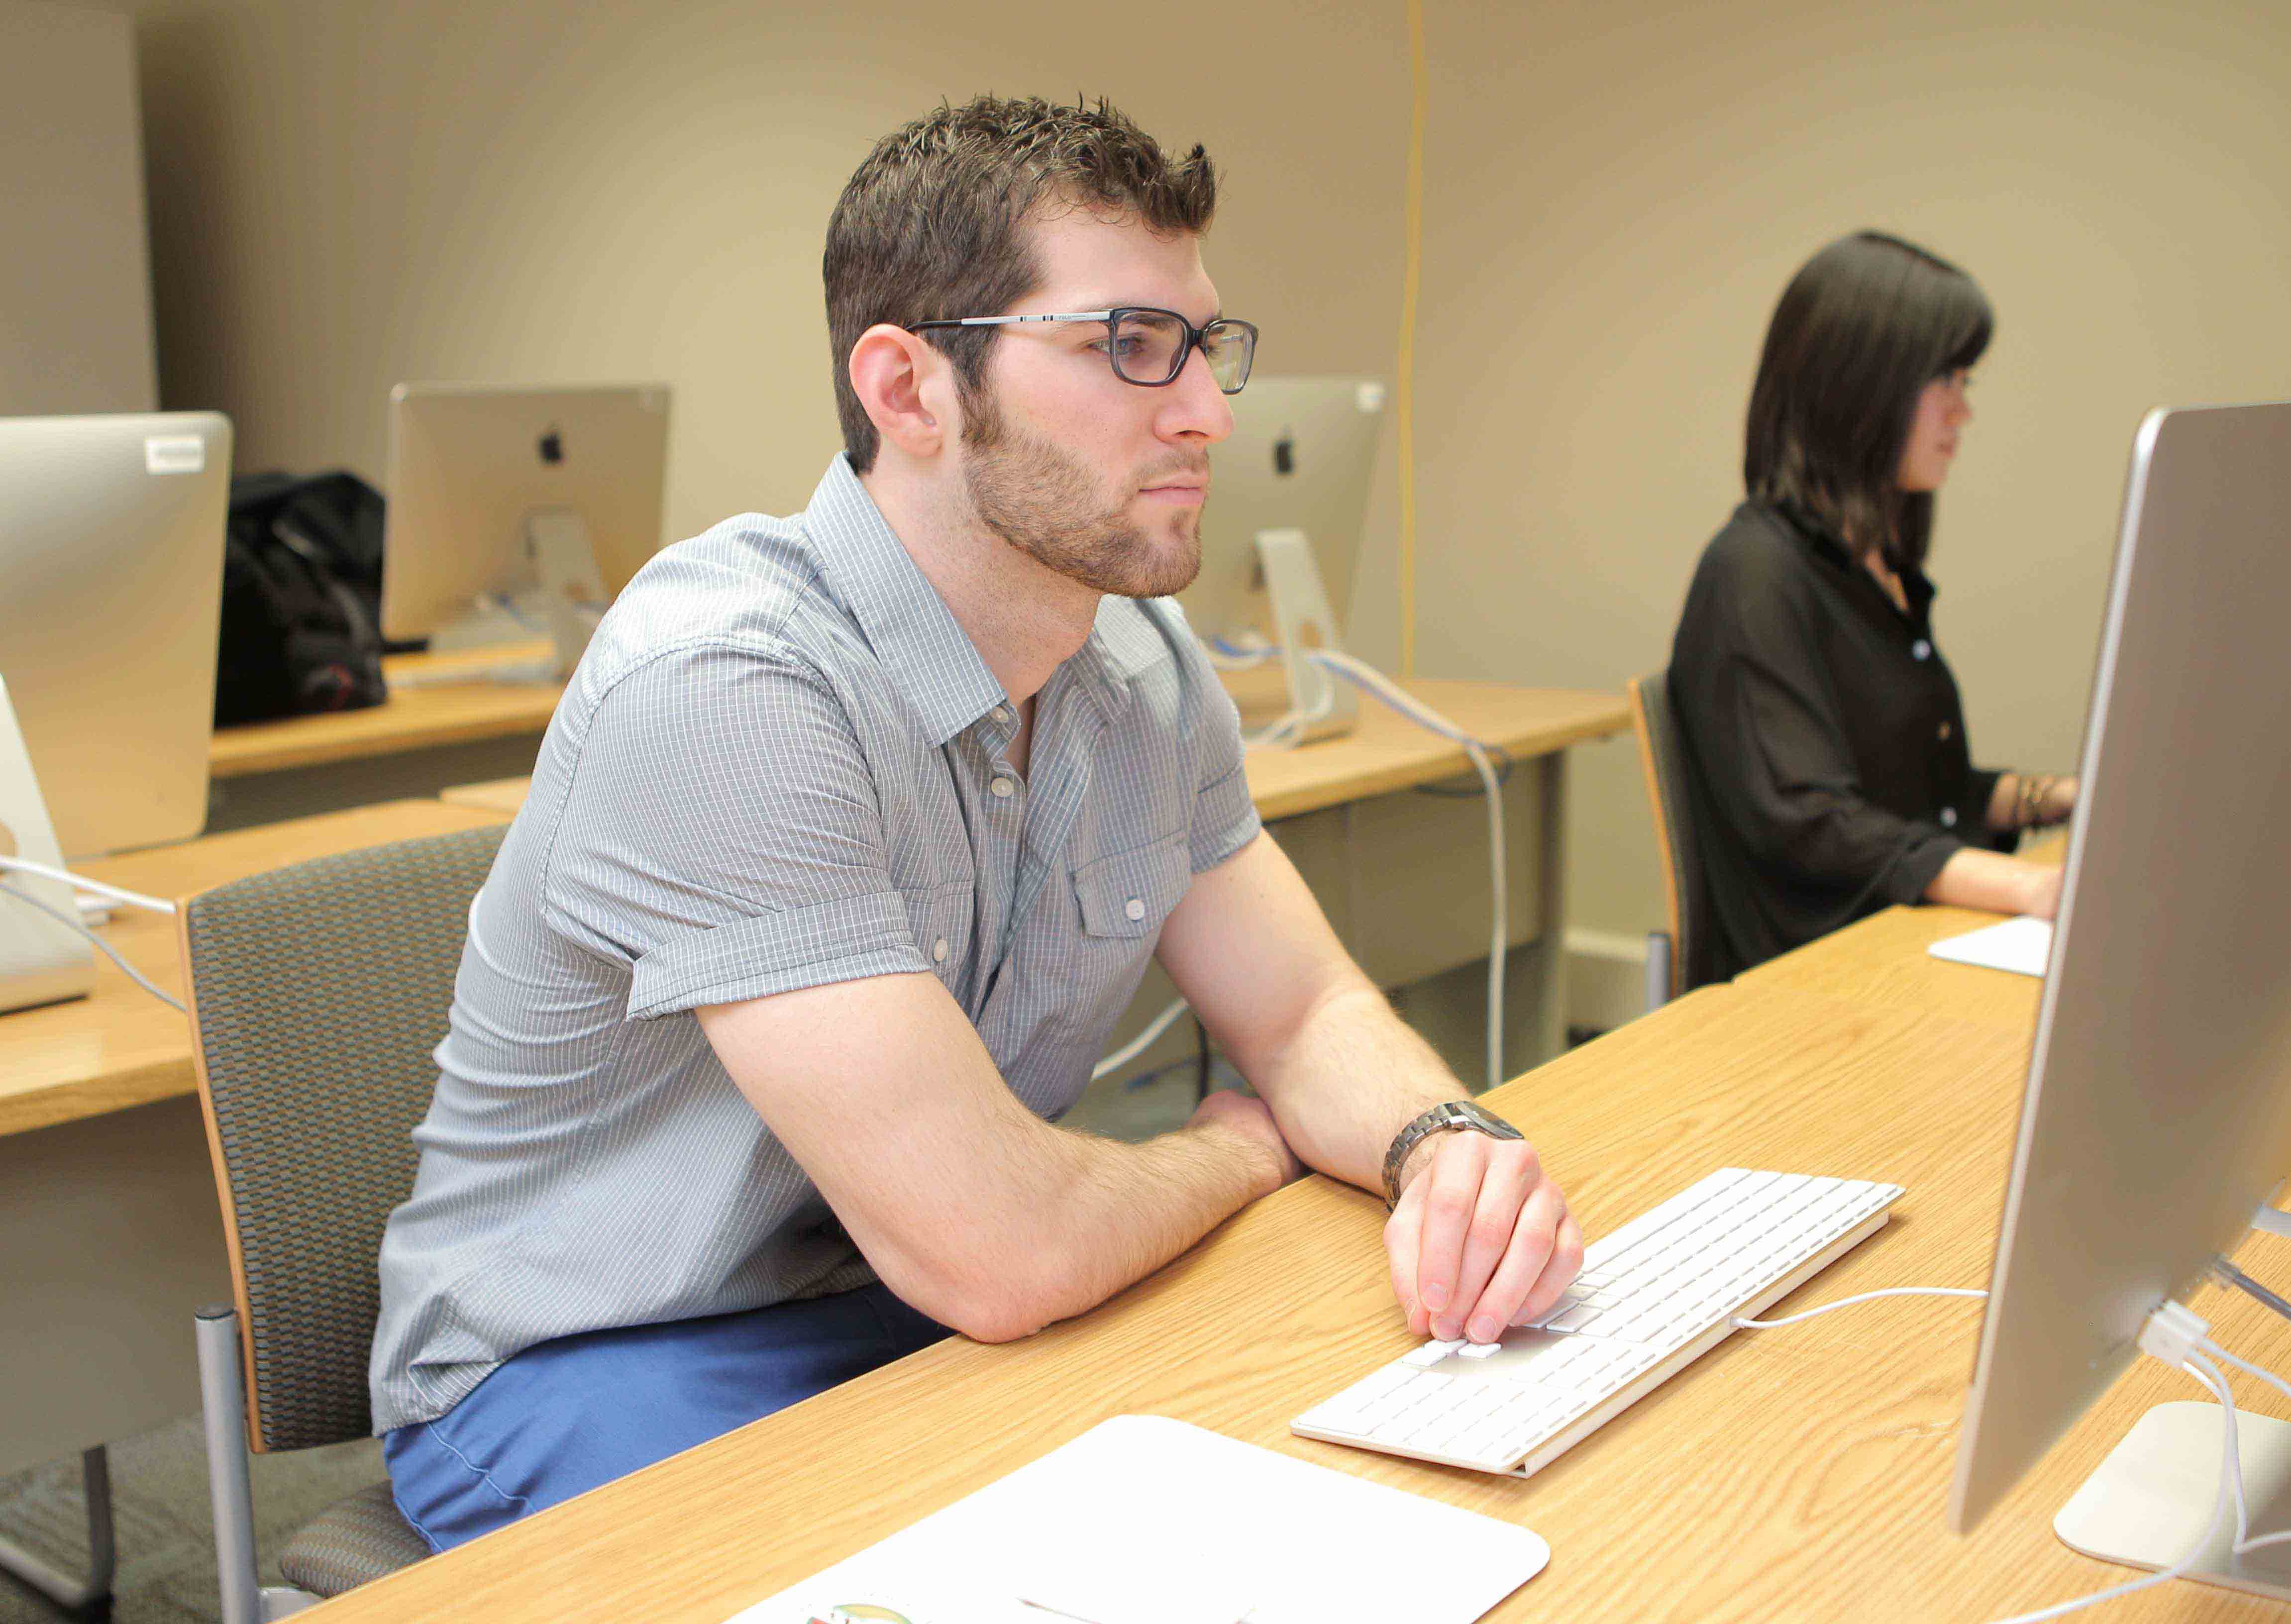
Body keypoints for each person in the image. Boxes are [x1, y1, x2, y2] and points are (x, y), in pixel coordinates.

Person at [369, 95, 1581, 1550]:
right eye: (1130, 346)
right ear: (909, 391)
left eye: (1203, 348)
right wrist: (1242, 1153)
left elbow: (1308, 1007)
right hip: (598, 1361)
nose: (1207, 410)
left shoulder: (1142, 664)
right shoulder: (729, 686)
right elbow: (1003, 1251)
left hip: (912, 1304)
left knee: (1355, 1473)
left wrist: (1435, 1143)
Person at [1667, 230, 2077, 985]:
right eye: (1944, 380)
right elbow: (1813, 822)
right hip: (1808, 990)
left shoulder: (1876, 569)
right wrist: (2028, 886)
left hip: (1891, 955)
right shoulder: (1753, 574)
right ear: (1863, 387)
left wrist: (2059, 799)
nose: (1963, 412)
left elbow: (1917, 796)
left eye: (1967, 381)